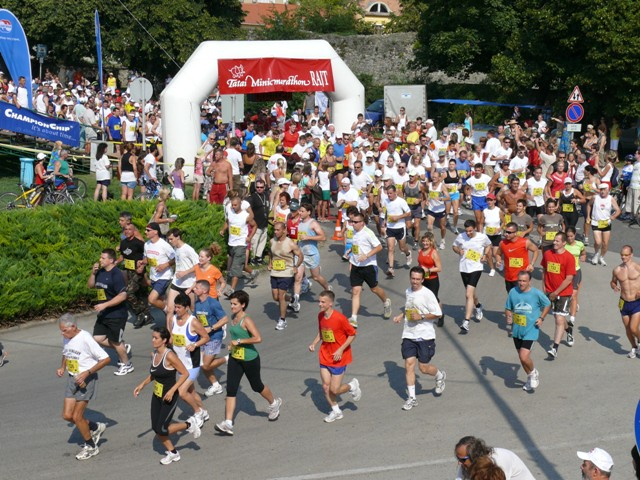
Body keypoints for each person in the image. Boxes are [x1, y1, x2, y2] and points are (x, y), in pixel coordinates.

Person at [215, 290, 282, 435]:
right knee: (231, 390)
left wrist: (239, 341)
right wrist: (232, 345)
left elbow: (258, 338)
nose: (232, 306)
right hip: (235, 358)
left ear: (243, 305)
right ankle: (228, 423)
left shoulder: (246, 320)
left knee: (257, 386)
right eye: (231, 303)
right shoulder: (233, 317)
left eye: (235, 304)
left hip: (250, 359)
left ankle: (274, 403)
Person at [133, 326, 202, 465]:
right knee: (155, 427)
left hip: (169, 396)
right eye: (152, 337)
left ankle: (189, 424)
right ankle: (173, 453)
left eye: (156, 338)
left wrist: (172, 390)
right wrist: (142, 384)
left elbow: (185, 373)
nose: (153, 340)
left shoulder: (169, 355)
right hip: (157, 395)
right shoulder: (154, 354)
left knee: (162, 428)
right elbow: (154, 374)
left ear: (164, 340)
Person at [57, 313, 111, 461]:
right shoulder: (67, 337)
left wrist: (87, 373)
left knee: (77, 416)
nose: (62, 333)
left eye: (64, 330)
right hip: (72, 378)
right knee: (67, 415)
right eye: (61, 330)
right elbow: (66, 352)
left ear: (73, 327)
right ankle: (94, 427)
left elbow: (106, 359)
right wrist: (62, 367)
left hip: (87, 379)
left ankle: (91, 446)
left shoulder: (86, 338)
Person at [393, 267, 446, 410]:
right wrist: (402, 315)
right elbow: (409, 308)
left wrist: (421, 316)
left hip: (425, 335)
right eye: (413, 278)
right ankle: (412, 398)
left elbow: (438, 313)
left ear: (422, 279)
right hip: (409, 334)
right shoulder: (408, 291)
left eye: (418, 279)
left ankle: (439, 376)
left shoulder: (427, 294)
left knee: (423, 368)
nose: (415, 281)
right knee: (409, 364)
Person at [308, 290, 361, 422]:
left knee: (335, 390)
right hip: (325, 355)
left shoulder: (339, 318)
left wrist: (341, 350)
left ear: (330, 303)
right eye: (319, 301)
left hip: (338, 358)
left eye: (323, 302)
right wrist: (314, 343)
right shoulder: (320, 316)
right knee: (326, 387)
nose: (320, 304)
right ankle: (336, 411)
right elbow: (321, 332)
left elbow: (352, 334)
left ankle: (352, 386)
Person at [88, 248, 132, 376]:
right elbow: (90, 285)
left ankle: (127, 364)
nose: (100, 260)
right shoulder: (100, 272)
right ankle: (123, 347)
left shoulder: (116, 274)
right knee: (98, 338)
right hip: (104, 313)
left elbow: (123, 295)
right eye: (100, 257)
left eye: (103, 258)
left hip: (117, 314)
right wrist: (92, 273)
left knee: (115, 342)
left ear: (111, 260)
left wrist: (105, 305)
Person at [505, 271, 551, 391]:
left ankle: (533, 373)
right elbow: (508, 308)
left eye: (524, 281)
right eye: (519, 280)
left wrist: (541, 318)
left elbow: (547, 304)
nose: (521, 283)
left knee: (524, 357)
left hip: (531, 330)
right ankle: (530, 378)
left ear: (529, 281)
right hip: (517, 330)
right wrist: (508, 315)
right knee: (521, 359)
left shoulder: (536, 293)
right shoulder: (513, 292)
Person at [169, 293, 210, 425]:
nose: (176, 310)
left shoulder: (193, 322)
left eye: (179, 307)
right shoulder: (173, 319)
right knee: (191, 391)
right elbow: (172, 337)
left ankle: (197, 413)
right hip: (180, 364)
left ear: (186, 307)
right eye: (175, 307)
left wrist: (195, 345)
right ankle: (204, 411)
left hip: (193, 363)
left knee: (182, 392)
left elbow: (206, 337)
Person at [348, 211, 392, 328]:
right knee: (355, 291)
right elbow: (357, 246)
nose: (353, 224)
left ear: (362, 223)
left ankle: (386, 301)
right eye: (352, 221)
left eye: (355, 222)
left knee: (374, 289)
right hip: (356, 266)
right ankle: (354, 318)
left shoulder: (368, 233)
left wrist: (366, 255)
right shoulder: (354, 231)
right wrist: (351, 255)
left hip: (369, 267)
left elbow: (379, 247)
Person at [452, 219, 492, 333]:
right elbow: (454, 246)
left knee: (468, 294)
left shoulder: (482, 237)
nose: (468, 233)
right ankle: (478, 306)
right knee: (471, 293)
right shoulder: (461, 236)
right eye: (467, 231)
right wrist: (458, 250)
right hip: (464, 268)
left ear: (474, 228)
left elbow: (488, 245)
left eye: (470, 231)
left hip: (476, 267)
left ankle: (466, 322)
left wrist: (485, 255)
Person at [541, 232, 576, 358]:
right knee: (559, 317)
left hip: (563, 293)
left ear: (564, 243)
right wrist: (544, 286)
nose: (554, 243)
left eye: (557, 241)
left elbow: (569, 279)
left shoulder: (569, 257)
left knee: (559, 319)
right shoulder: (547, 254)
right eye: (554, 240)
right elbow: (544, 270)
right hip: (549, 292)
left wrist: (556, 293)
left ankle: (554, 348)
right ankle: (569, 329)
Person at [192, 280, 229, 397]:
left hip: (214, 336)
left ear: (204, 290)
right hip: (203, 337)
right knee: (204, 365)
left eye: (196, 288)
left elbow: (225, 319)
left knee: (205, 365)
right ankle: (216, 386)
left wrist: (211, 328)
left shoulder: (213, 303)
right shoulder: (197, 304)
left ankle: (229, 359)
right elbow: (195, 319)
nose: (194, 289)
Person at [269, 221, 303, 331]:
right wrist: (270, 263)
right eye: (274, 229)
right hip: (275, 272)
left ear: (284, 231)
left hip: (287, 273)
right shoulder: (272, 241)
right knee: (275, 297)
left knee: (281, 296)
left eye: (278, 230)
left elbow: (300, 255)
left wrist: (296, 266)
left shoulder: (291, 243)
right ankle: (293, 300)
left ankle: (282, 320)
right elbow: (271, 253)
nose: (275, 232)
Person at [117, 223, 152, 329]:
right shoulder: (123, 243)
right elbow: (123, 256)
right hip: (129, 271)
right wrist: (115, 262)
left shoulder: (139, 243)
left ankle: (139, 314)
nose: (127, 231)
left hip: (138, 271)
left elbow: (148, 256)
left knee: (129, 293)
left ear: (134, 231)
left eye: (129, 229)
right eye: (125, 229)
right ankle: (148, 316)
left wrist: (142, 264)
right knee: (139, 294)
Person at [220, 196, 257, 294]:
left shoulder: (245, 215)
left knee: (235, 267)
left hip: (241, 244)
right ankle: (253, 272)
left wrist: (250, 237)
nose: (233, 206)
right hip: (231, 243)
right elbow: (228, 222)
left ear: (240, 204)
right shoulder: (230, 212)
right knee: (240, 264)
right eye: (232, 205)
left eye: (235, 205)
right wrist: (223, 230)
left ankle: (232, 289)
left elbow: (255, 226)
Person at [455, 436, 535, 480]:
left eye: (462, 459)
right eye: (458, 458)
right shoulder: (466, 464)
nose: (459, 462)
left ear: (474, 456)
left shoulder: (497, 463)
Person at [165, 228, 199, 330]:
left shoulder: (188, 249)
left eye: (171, 239)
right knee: (170, 309)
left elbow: (198, 265)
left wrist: (185, 272)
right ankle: (169, 335)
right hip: (176, 283)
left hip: (189, 284)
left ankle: (198, 331)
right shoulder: (176, 249)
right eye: (168, 240)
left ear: (178, 237)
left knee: (192, 309)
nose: (170, 242)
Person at [611, 245, 640, 358]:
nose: (623, 257)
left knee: (633, 328)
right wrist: (614, 286)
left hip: (637, 302)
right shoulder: (617, 270)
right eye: (622, 255)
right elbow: (612, 282)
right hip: (623, 302)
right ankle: (634, 348)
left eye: (626, 255)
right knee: (628, 329)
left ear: (631, 255)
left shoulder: (637, 267)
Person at [140, 222, 175, 313]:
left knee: (151, 299)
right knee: (161, 301)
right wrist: (142, 262)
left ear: (155, 232)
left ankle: (170, 312)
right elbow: (147, 258)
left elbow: (175, 258)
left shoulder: (164, 245)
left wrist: (165, 265)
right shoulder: (147, 244)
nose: (145, 232)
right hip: (154, 277)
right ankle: (169, 323)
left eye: (148, 230)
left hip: (164, 277)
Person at [496, 222, 539, 294]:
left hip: (522, 278)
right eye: (505, 232)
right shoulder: (502, 243)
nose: (506, 234)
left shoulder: (525, 242)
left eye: (509, 232)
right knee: (512, 297)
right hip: (508, 277)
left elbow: (536, 250)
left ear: (515, 233)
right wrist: (498, 261)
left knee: (522, 299)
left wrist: (531, 264)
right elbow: (498, 254)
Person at [297, 202, 331, 291]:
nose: (300, 213)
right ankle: (304, 286)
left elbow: (323, 237)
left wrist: (308, 237)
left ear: (308, 212)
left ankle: (327, 288)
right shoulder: (299, 223)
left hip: (311, 254)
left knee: (315, 277)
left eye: (302, 211)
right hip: (300, 253)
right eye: (299, 211)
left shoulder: (313, 223)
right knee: (298, 276)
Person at [383, 184, 412, 277]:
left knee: (402, 248)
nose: (389, 195)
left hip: (400, 227)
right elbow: (386, 211)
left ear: (395, 193)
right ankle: (391, 269)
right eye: (388, 193)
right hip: (390, 227)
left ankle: (408, 254)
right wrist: (385, 220)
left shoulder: (401, 201)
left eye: (391, 193)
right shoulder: (386, 201)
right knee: (390, 248)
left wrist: (398, 217)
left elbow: (408, 213)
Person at [589, 183, 621, 266]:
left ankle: (602, 257)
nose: (602, 191)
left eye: (604, 189)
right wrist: (588, 217)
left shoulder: (611, 199)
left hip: (606, 223)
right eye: (601, 189)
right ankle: (596, 254)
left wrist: (614, 216)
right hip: (596, 222)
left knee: (605, 243)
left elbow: (618, 210)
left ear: (608, 190)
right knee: (598, 241)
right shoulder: (595, 197)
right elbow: (589, 205)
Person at [417, 232, 444, 326]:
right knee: (422, 298)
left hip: (433, 279)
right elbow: (420, 264)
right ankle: (426, 317)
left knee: (434, 300)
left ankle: (440, 315)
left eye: (427, 241)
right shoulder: (420, 251)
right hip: (423, 279)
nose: (425, 243)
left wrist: (428, 270)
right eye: (423, 241)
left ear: (430, 242)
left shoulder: (434, 253)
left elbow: (439, 268)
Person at [565, 227, 586, 327]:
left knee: (574, 295)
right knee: (566, 293)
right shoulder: (563, 245)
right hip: (564, 273)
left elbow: (583, 252)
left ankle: (572, 318)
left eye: (571, 236)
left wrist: (583, 256)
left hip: (576, 271)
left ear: (575, 235)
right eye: (568, 236)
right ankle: (570, 305)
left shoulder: (580, 244)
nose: (569, 238)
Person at [248, 178, 271, 265]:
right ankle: (253, 258)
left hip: (264, 223)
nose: (259, 189)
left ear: (264, 187)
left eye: (261, 187)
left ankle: (259, 257)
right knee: (254, 242)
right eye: (257, 187)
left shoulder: (266, 195)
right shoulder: (253, 197)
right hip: (256, 224)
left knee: (262, 241)